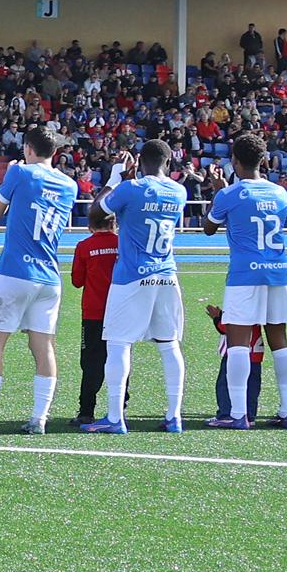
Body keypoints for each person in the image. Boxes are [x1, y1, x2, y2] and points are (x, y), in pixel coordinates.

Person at [0, 126, 75, 434]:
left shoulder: (21, 173)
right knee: (43, 347)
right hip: (50, 276)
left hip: (15, 271)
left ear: (28, 148)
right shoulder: (69, 185)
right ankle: (39, 418)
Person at [202, 136, 287, 430]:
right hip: (277, 271)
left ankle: (237, 414)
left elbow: (209, 228)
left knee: (238, 344)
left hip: (245, 275)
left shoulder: (230, 194)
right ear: (264, 160)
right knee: (280, 342)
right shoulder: (280, 193)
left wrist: (218, 193)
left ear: (234, 161)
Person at [96, 139, 191, 435]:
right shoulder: (179, 190)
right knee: (169, 344)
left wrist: (116, 176)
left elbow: (99, 210)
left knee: (119, 343)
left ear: (140, 159)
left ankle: (115, 417)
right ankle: (174, 416)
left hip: (132, 275)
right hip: (166, 274)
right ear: (169, 161)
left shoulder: (131, 188)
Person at [71, 202, 122, 430]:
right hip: (121, 311)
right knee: (121, 359)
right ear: (114, 223)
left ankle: (86, 412)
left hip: (93, 312)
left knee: (91, 362)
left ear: (90, 225)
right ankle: (119, 409)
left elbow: (76, 281)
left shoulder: (84, 246)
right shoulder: (123, 244)